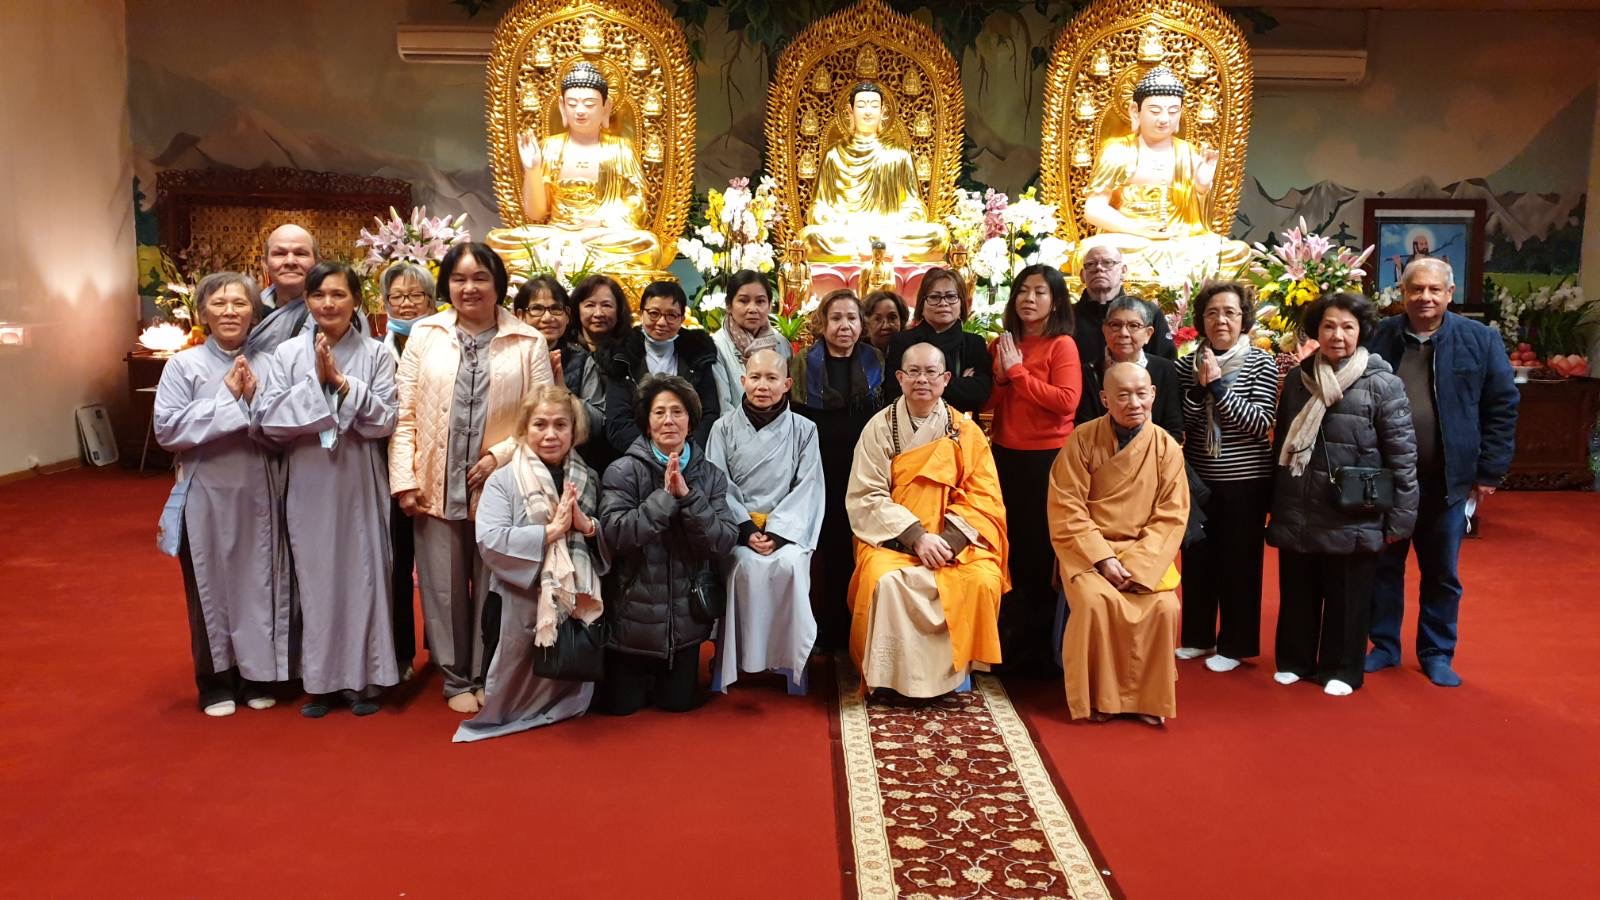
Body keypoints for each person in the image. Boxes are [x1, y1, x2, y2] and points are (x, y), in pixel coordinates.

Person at [390, 242, 554, 714]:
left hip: (499, 485)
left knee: (493, 585)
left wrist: (500, 455)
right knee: (441, 588)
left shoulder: (528, 341)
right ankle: (455, 676)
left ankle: (488, 672)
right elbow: (404, 414)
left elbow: (541, 418)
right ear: (447, 285)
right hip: (433, 481)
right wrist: (404, 480)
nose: (469, 288)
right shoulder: (426, 334)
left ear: (498, 284)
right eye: (459, 279)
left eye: (480, 277)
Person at [1366, 258, 1519, 687]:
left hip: (1447, 480)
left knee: (1441, 573)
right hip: (1387, 479)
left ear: (1450, 294)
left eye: (1435, 289)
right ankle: (1383, 645)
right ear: (1402, 294)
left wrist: (1490, 471)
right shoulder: (1378, 336)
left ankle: (1436, 652)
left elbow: (1502, 406)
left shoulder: (1480, 340)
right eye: (1416, 289)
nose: (1425, 297)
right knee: (1382, 567)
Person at [256, 262, 399, 717]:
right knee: (315, 576)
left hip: (359, 474)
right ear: (307, 301)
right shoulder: (286, 355)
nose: (328, 304)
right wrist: (316, 387)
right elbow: (270, 420)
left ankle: (364, 680)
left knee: (364, 572)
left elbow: (386, 420)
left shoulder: (377, 354)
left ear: (356, 301)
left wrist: (342, 383)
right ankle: (320, 681)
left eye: (339, 295)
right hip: (309, 474)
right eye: (319, 296)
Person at [1268, 292, 1418, 696]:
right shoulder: (1298, 380)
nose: (1337, 335)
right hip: (1300, 503)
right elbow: (1281, 445)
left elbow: (1403, 456)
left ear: (1361, 332)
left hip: (1353, 507)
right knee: (1298, 589)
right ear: (1316, 331)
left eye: (1347, 327)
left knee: (1348, 595)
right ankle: (1295, 660)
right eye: (1329, 326)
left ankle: (1342, 668)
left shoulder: (1382, 383)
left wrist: (1401, 518)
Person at [153, 272, 285, 716]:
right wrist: (229, 399)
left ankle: (255, 676)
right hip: (206, 490)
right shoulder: (182, 365)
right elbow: (168, 429)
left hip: (259, 488)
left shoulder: (271, 363)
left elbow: (285, 425)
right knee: (210, 588)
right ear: (202, 312)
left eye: (240, 303)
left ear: (255, 313)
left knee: (257, 583)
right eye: (219, 303)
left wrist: (256, 404)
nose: (230, 312)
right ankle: (214, 682)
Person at [846, 343, 1009, 698]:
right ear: (900, 378)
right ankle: (889, 680)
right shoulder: (879, 428)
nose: (922, 379)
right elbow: (866, 495)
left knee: (982, 578)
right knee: (882, 580)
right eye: (914, 372)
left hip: (953, 543)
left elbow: (984, 497)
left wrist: (948, 542)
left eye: (931, 372)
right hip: (895, 541)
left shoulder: (966, 432)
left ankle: (955, 673)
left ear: (946, 378)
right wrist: (917, 537)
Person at [455, 386, 606, 742]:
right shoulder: (504, 478)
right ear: (525, 428)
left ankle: (563, 701)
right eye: (540, 424)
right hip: (517, 599)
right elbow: (490, 539)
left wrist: (587, 527)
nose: (550, 434)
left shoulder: (588, 478)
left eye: (560, 425)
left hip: (569, 598)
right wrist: (549, 532)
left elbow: (604, 542)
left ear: (574, 430)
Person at [1050, 362, 1190, 724]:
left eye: (1141, 394)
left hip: (1145, 554)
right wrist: (1103, 559)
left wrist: (1138, 566)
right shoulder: (1082, 439)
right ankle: (1101, 699)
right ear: (1105, 399)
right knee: (1095, 603)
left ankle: (1149, 700)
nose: (1134, 403)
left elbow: (1172, 515)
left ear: (1153, 395)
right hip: (1088, 552)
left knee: (1164, 608)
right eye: (1123, 395)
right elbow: (1067, 506)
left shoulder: (1166, 447)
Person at [598, 375, 739, 714]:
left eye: (677, 412)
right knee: (620, 709)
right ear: (647, 423)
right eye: (659, 412)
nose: (669, 420)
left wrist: (688, 498)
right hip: (631, 624)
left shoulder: (710, 475)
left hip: (685, 627)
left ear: (690, 421)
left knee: (678, 706)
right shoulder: (623, 471)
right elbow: (614, 535)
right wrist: (663, 498)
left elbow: (723, 541)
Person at [1174, 281, 1280, 672]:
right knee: (1197, 559)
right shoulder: (1187, 365)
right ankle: (1198, 637)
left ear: (1243, 319)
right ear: (1201, 319)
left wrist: (1218, 387)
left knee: (1240, 563)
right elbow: (1184, 423)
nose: (1221, 320)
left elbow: (1259, 422)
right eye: (1212, 312)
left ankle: (1235, 645)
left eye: (1230, 313)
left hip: (1246, 481)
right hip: (1199, 477)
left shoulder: (1261, 362)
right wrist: (1198, 391)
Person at [705, 350, 825, 693]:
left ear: (787, 384)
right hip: (738, 532)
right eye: (755, 377)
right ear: (743, 381)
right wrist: (745, 530)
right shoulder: (722, 428)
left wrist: (778, 533)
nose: (763, 385)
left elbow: (809, 486)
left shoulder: (805, 429)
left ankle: (790, 661)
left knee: (790, 566)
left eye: (772, 378)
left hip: (786, 532)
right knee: (743, 566)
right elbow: (716, 483)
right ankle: (735, 660)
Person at [985, 264, 1081, 674]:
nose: (1029, 298)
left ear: (1055, 301)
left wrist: (1017, 373)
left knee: (1042, 552)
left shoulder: (1062, 345)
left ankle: (1043, 653)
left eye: (1040, 292)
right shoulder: (1003, 342)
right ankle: (1009, 643)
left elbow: (1066, 402)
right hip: (1006, 454)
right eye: (1023, 290)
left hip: (1048, 459)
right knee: (1011, 549)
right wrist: (1001, 378)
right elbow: (988, 403)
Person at [1074, 66, 1251, 286]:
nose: (1164, 119)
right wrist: (1141, 230)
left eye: (1173, 111)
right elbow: (1093, 210)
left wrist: (1201, 188)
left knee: (1236, 252)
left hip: (1178, 241)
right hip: (1131, 240)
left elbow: (1196, 222)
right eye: (1155, 111)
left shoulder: (1187, 152)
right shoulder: (1118, 151)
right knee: (1091, 251)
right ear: (1135, 111)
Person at [485, 62, 662, 272]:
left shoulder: (620, 149)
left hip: (600, 235)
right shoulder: (550, 147)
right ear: (562, 106)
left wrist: (600, 221)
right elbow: (536, 213)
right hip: (555, 234)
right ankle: (568, 252)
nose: (580, 111)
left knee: (648, 244)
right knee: (496, 241)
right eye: (572, 103)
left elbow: (636, 203)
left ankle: (567, 254)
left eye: (589, 104)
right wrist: (532, 170)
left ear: (606, 107)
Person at [790, 290, 886, 652]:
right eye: (836, 318)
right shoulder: (804, 364)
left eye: (851, 318)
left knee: (862, 546)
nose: (844, 325)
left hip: (867, 469)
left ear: (861, 324)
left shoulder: (876, 361)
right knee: (828, 550)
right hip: (821, 468)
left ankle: (861, 627)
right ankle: (828, 629)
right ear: (822, 323)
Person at [797, 81, 949, 262]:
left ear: (883, 112)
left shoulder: (899, 154)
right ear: (850, 111)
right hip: (849, 231)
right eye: (861, 105)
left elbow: (916, 208)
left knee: (939, 236)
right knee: (809, 238)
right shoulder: (834, 155)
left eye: (874, 106)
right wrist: (848, 222)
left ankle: (870, 250)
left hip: (889, 230)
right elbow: (818, 209)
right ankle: (877, 250)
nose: (868, 112)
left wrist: (888, 223)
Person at [379, 262, 437, 678]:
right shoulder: (376, 349)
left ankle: (444, 649)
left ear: (432, 301)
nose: (406, 304)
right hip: (389, 471)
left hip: (435, 469)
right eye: (397, 296)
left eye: (415, 295)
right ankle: (399, 654)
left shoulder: (446, 347)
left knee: (441, 570)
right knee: (396, 565)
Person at [603, 281, 721, 453]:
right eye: (654, 314)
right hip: (636, 456)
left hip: (688, 455)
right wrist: (653, 454)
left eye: (671, 315)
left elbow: (709, 412)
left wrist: (686, 452)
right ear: (641, 313)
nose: (661, 322)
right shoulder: (621, 356)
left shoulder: (697, 354)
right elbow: (618, 420)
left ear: (682, 318)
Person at [882, 269, 992, 413]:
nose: (943, 303)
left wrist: (920, 385)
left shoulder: (974, 343)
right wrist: (960, 384)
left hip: (961, 425)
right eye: (934, 297)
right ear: (922, 304)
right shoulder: (903, 341)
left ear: (962, 303)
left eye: (951, 296)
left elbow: (980, 394)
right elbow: (895, 393)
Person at [1076, 296, 1181, 438]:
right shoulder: (1089, 372)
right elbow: (1084, 431)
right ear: (1105, 330)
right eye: (1115, 325)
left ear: (1148, 334)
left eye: (1133, 326)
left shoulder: (1164, 369)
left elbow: (1175, 430)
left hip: (1156, 450)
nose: (1123, 333)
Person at [565, 273, 632, 473]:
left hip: (621, 454)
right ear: (576, 309)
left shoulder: (631, 353)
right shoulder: (565, 352)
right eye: (590, 305)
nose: (598, 313)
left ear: (619, 310)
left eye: (607, 305)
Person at [1072, 245, 1175, 364]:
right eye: (1091, 264)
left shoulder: (1148, 312)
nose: (1099, 268)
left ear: (1123, 271)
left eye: (1108, 262)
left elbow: (1165, 363)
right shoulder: (1066, 315)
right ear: (1082, 275)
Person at [710, 270, 790, 414]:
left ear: (770, 305)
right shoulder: (716, 346)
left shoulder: (781, 343)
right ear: (729, 305)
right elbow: (723, 406)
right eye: (743, 301)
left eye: (760, 301)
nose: (752, 309)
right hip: (733, 425)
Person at [246, 223, 321, 353]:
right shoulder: (250, 309)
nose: (290, 261)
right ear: (265, 263)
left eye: (300, 253)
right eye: (279, 253)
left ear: (317, 262)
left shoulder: (332, 312)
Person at [863, 289, 908, 355]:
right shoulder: (856, 355)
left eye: (892, 318)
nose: (886, 326)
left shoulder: (911, 351)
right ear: (866, 324)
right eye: (878, 319)